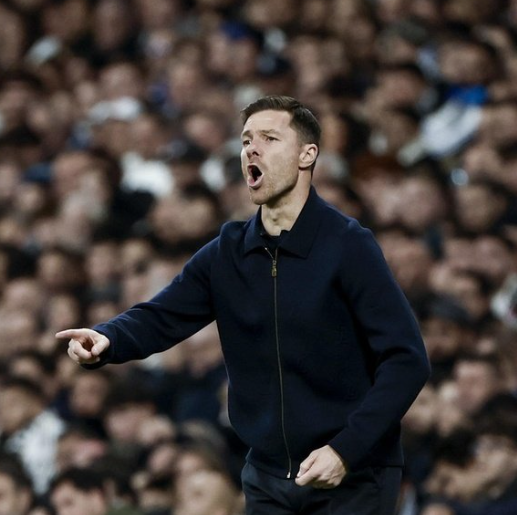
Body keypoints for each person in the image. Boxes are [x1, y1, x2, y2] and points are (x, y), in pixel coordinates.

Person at [57, 95, 430, 514]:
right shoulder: (228, 251)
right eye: (247, 140)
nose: (252, 149)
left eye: (269, 138)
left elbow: (407, 359)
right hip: (267, 477)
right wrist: (108, 338)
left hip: (352, 475)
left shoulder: (347, 245)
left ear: (307, 155)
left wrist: (346, 449)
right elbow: (162, 315)